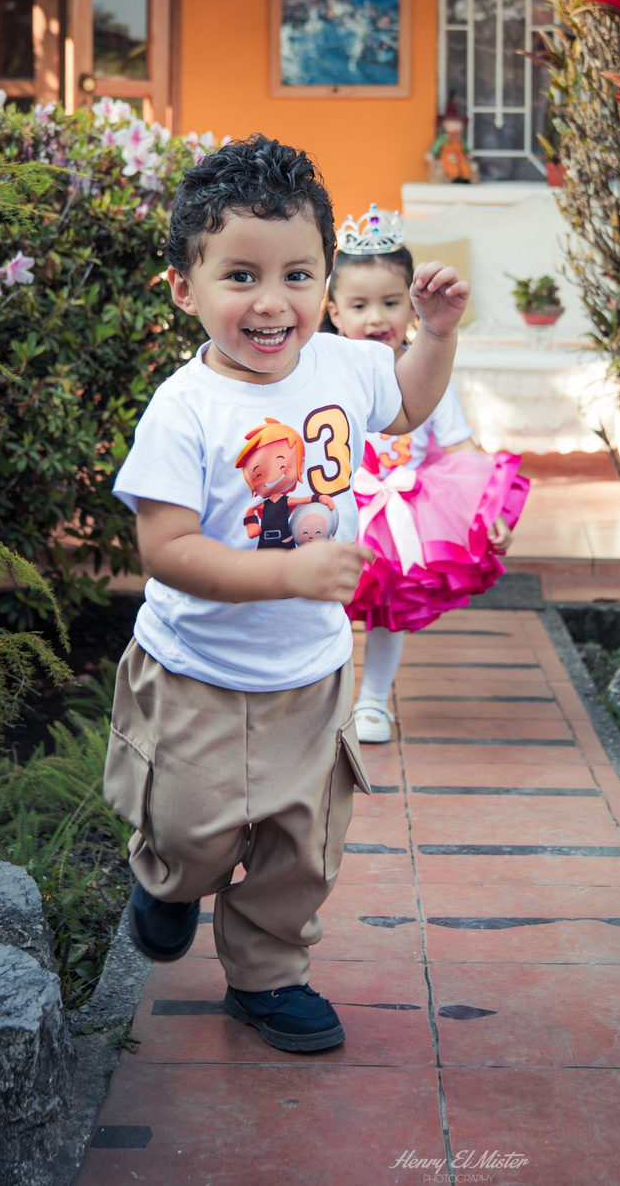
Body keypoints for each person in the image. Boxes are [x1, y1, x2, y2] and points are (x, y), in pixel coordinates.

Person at [105, 137, 469, 1055]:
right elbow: (165, 547)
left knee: (298, 846)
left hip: (309, 676)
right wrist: (290, 574)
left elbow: (410, 407)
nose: (272, 303)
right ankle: (166, 878)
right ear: (186, 288)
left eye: (299, 274)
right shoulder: (184, 408)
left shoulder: (344, 365)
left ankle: (268, 977)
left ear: (325, 278)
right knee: (193, 829)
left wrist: (435, 336)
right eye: (240, 275)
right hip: (196, 672)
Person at [324, 204, 531, 744]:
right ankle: (323, 703)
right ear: (333, 311)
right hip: (336, 511)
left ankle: (373, 703)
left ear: (413, 307)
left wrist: (486, 515)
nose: (376, 318)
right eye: (360, 305)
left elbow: (461, 449)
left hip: (401, 519)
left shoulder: (426, 375)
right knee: (323, 608)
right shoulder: (322, 371)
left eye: (391, 302)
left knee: (389, 610)